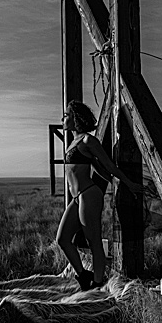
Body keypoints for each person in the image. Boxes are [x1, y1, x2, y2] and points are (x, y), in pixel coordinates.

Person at [56, 100, 144, 291]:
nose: (63, 118)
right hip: (77, 197)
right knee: (62, 239)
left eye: (66, 115)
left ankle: (96, 284)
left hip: (89, 194)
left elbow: (109, 166)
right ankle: (83, 275)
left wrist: (128, 184)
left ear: (76, 118)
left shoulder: (88, 140)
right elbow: (95, 167)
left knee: (93, 241)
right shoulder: (73, 142)